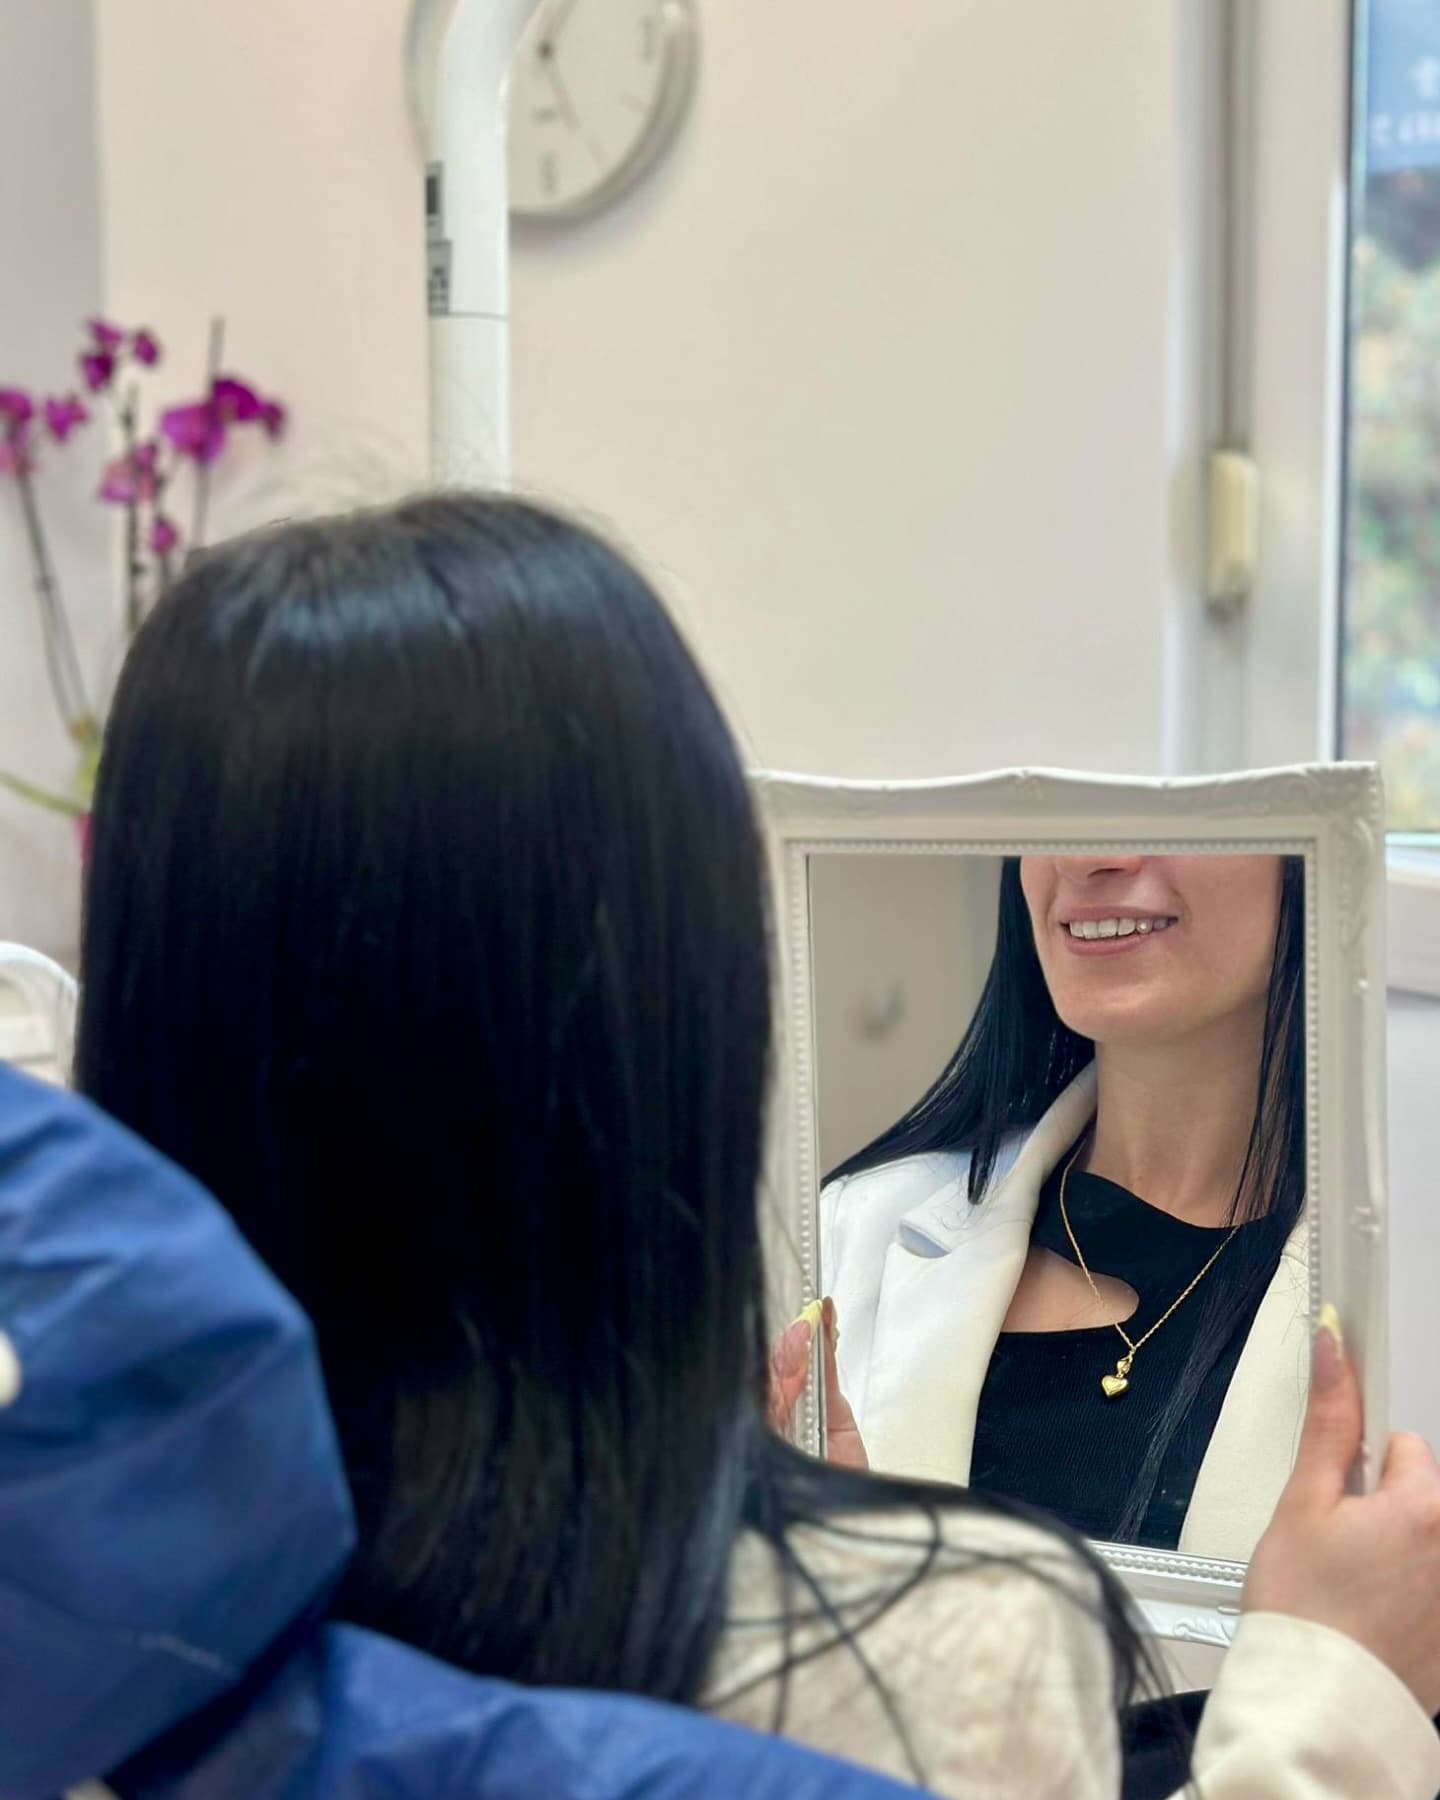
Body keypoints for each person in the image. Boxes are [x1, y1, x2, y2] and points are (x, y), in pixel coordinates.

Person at [74, 494, 1440, 1798]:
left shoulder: (79, 1617)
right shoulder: (924, 1570)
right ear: (686, 1001)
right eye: (1056, 812)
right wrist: (1327, 1715)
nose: (1092, 858)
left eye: (1173, 810)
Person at [816, 853, 1304, 1560]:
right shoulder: (851, 1230)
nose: (1083, 854)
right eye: (1059, 796)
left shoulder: (1397, 1299)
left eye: (1168, 801)